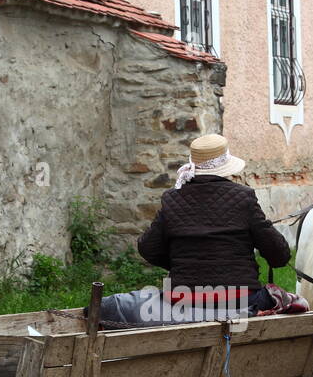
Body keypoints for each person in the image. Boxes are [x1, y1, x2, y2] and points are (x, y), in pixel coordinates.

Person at [99, 134, 292, 325]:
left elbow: (147, 247)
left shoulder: (173, 199)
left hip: (184, 299)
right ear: (225, 168)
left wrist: (181, 264)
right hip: (238, 299)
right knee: (288, 301)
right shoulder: (244, 198)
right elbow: (279, 255)